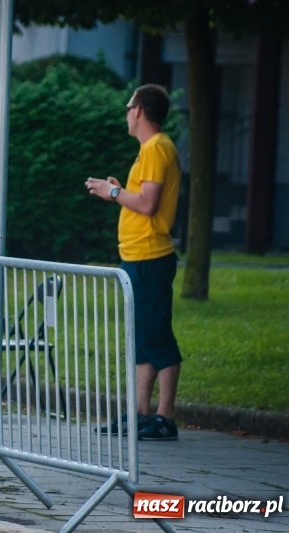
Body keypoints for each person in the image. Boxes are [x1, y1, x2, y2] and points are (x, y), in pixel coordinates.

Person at [85, 84, 182, 441]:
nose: (127, 113)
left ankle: (165, 417)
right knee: (142, 337)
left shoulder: (157, 147)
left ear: (138, 110)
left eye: (129, 107)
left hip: (151, 257)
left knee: (157, 335)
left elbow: (148, 204)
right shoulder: (149, 149)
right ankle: (141, 414)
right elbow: (139, 198)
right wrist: (118, 191)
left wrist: (112, 192)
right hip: (137, 256)